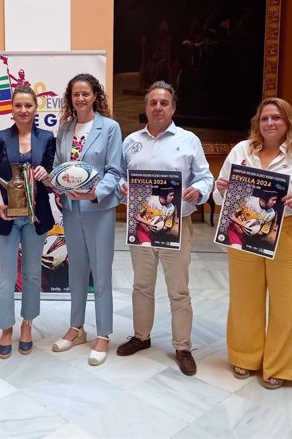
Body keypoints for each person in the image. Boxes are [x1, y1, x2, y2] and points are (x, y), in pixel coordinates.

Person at [214, 97, 292, 389]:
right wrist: (221, 189)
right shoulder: (242, 151)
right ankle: (245, 356)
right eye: (265, 118)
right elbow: (219, 196)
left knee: (287, 302)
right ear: (258, 122)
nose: (270, 123)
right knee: (244, 298)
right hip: (244, 229)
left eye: (276, 118)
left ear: (288, 122)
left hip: (290, 232)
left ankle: (279, 365)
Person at [118, 80, 213, 375]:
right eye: (152, 103)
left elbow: (206, 177)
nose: (157, 107)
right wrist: (122, 186)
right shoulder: (131, 140)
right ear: (146, 107)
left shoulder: (188, 140)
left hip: (177, 225)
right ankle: (141, 336)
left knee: (178, 289)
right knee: (141, 285)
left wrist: (198, 190)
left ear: (173, 108)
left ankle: (182, 346)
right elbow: (120, 174)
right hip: (142, 223)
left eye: (164, 103)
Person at [50, 73, 124, 366]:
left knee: (101, 273)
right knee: (76, 270)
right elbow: (58, 165)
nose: (80, 99)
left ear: (95, 96)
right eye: (75, 94)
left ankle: (103, 333)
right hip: (70, 210)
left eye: (86, 93)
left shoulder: (109, 128)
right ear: (70, 98)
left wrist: (95, 194)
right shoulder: (66, 128)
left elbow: (115, 171)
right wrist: (58, 186)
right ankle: (76, 328)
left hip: (99, 211)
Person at [0, 85, 55, 359]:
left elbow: (52, 181)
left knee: (32, 274)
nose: (23, 110)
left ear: (36, 108)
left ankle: (27, 323)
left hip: (36, 217)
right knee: (4, 277)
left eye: (28, 105)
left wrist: (45, 174)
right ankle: (6, 328)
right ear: (11, 110)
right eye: (18, 106)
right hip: (5, 216)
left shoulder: (47, 138)